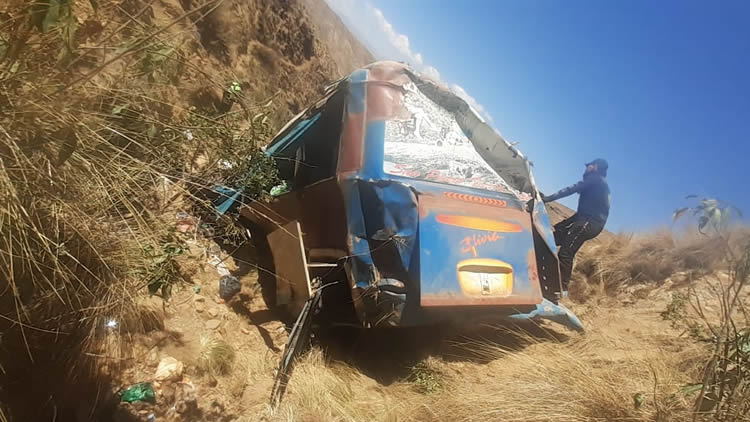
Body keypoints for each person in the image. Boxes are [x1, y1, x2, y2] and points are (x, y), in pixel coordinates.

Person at [542, 158, 610, 291]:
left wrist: (547, 199)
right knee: (551, 239)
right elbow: (583, 212)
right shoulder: (599, 184)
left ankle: (561, 289)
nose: (586, 168)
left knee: (566, 253)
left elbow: (572, 189)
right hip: (586, 221)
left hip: (588, 223)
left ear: (595, 167)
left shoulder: (595, 179)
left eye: (588, 165)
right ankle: (543, 273)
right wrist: (562, 225)